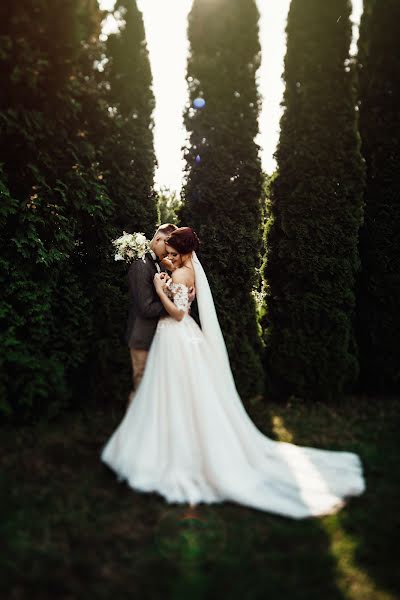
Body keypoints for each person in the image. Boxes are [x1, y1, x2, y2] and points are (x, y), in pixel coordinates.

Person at [101, 227, 366, 519]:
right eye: (169, 253)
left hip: (176, 335)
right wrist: (168, 280)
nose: (170, 258)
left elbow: (177, 313)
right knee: (181, 391)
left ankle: (173, 449)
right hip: (183, 337)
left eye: (175, 254)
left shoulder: (179, 275)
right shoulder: (187, 271)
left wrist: (160, 286)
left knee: (172, 390)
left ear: (186, 253)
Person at [125, 223, 196, 409]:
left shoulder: (163, 264)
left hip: (160, 336)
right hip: (142, 336)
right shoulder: (141, 266)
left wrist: (179, 296)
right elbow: (146, 308)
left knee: (159, 389)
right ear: (158, 240)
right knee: (142, 386)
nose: (170, 253)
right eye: (167, 247)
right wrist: (181, 306)